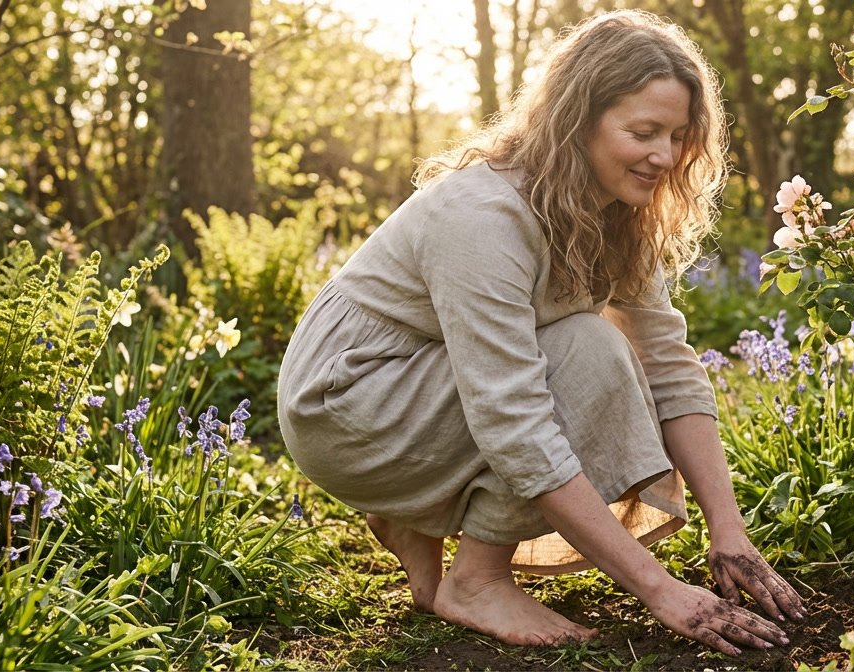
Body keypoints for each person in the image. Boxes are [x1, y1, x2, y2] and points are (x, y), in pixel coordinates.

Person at [277, 9, 803, 654]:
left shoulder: (617, 214)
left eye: (678, 136)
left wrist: (730, 533)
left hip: (421, 384)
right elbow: (513, 419)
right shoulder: (483, 216)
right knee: (590, 351)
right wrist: (660, 589)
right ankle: (477, 580)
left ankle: (415, 518)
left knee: (602, 349)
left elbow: (668, 365)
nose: (665, 157)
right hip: (348, 405)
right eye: (643, 132)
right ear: (577, 120)